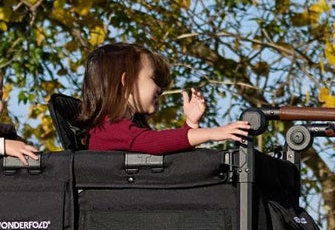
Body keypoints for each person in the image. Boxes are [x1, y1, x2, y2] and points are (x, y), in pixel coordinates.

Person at [76, 42, 250, 153]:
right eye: (153, 79)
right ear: (126, 81)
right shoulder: (110, 129)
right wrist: (211, 133)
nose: (160, 89)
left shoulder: (119, 129)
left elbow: (162, 146)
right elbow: (154, 143)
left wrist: (190, 125)